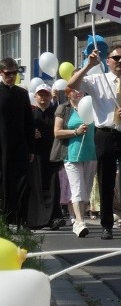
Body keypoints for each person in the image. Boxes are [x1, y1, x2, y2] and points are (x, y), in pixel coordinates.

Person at [68, 44, 121, 241]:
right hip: (105, 135)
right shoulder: (98, 79)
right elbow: (71, 85)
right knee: (105, 181)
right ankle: (107, 225)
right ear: (108, 61)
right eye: (116, 58)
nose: (120, 61)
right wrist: (89, 65)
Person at [54, 86, 97, 238]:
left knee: (86, 188)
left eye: (80, 89)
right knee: (77, 188)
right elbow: (57, 132)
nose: (77, 92)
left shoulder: (92, 105)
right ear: (67, 93)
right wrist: (75, 132)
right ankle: (79, 222)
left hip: (91, 153)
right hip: (71, 154)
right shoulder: (63, 108)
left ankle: (79, 219)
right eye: (74, 90)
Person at [0, 58, 35, 226]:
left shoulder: (22, 94)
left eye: (14, 73)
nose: (11, 76)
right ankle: (4, 219)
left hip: (20, 145)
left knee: (22, 182)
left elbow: (29, 122)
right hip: (2, 145)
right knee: (3, 181)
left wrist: (31, 149)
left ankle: (20, 218)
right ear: (1, 73)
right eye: (8, 73)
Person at [29, 84, 64, 230]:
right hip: (35, 155)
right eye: (40, 95)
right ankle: (35, 219)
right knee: (35, 186)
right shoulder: (30, 113)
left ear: (50, 96)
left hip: (52, 155)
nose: (43, 98)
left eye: (46, 95)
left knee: (53, 187)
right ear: (35, 96)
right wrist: (31, 134)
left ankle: (53, 218)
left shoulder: (55, 113)